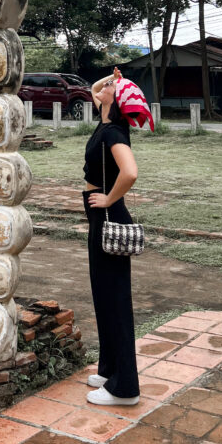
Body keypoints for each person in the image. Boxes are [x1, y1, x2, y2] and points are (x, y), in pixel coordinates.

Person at [82, 66, 141, 405]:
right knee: (104, 298)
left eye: (112, 87)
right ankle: (109, 370)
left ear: (116, 100)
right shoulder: (104, 122)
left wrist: (109, 198)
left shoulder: (113, 133)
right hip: (99, 217)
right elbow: (93, 87)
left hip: (108, 215)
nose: (102, 88)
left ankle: (125, 389)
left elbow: (130, 172)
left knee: (116, 301)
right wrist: (112, 80)